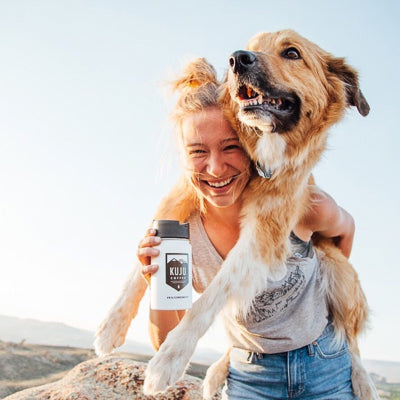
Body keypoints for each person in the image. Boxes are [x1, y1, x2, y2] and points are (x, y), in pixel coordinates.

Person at [137, 59, 357, 399]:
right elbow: (167, 343)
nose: (215, 168)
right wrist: (155, 282)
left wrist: (326, 304)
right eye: (198, 152)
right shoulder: (180, 234)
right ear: (182, 157)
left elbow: (345, 231)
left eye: (230, 147)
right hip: (249, 375)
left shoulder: (302, 207)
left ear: (252, 144)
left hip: (325, 364)